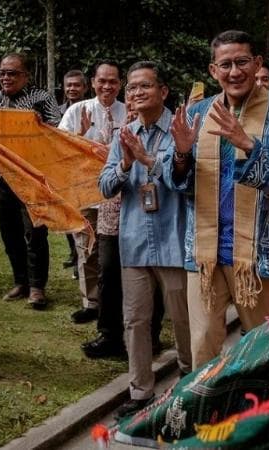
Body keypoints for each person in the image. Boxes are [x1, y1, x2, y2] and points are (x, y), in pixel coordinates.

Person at [167, 30, 269, 369]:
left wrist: (249, 145)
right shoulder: (198, 112)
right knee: (201, 345)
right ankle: (204, 415)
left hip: (257, 253)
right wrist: (181, 155)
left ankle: (257, 414)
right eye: (226, 64)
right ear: (213, 70)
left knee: (262, 348)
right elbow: (176, 181)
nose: (235, 72)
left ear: (257, 63)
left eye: (242, 62)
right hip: (204, 255)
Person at [99, 61, 192, 417]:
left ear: (163, 91)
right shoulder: (124, 134)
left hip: (173, 239)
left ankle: (189, 378)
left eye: (145, 86)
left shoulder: (180, 130)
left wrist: (145, 159)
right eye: (132, 88)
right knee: (135, 320)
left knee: (182, 318)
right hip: (135, 241)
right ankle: (140, 391)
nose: (136, 93)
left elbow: (182, 179)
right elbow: (105, 186)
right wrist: (124, 163)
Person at [0, 53, 61, 309]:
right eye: (2, 73)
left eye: (12, 73)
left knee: (35, 233)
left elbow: (57, 134)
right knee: (10, 233)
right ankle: (21, 281)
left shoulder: (42, 98)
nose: (6, 77)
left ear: (26, 75)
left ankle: (37, 286)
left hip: (32, 179)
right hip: (1, 177)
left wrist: (40, 128)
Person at [59, 61, 126, 325]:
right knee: (86, 247)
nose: (107, 86)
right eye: (102, 81)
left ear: (120, 84)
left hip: (120, 195)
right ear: (93, 82)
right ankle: (91, 303)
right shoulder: (78, 111)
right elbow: (62, 148)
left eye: (113, 81)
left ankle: (117, 301)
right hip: (86, 191)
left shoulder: (129, 110)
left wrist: (99, 147)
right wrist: (81, 136)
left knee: (117, 252)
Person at [59, 70, 89, 272]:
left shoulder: (91, 109)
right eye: (68, 85)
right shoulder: (58, 110)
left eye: (76, 85)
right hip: (65, 170)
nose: (72, 89)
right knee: (69, 217)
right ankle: (75, 253)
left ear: (85, 87)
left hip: (87, 174)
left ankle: (82, 261)